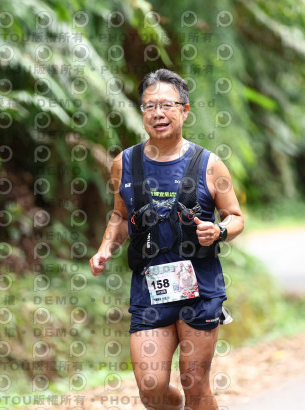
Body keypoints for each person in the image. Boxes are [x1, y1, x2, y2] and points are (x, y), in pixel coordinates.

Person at [89, 68, 244, 410]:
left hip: (200, 286)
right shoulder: (124, 163)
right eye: (149, 106)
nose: (157, 113)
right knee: (151, 387)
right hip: (150, 287)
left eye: (166, 105)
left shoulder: (209, 164)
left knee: (195, 381)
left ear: (184, 110)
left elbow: (235, 216)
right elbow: (120, 216)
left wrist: (219, 230)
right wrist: (105, 249)